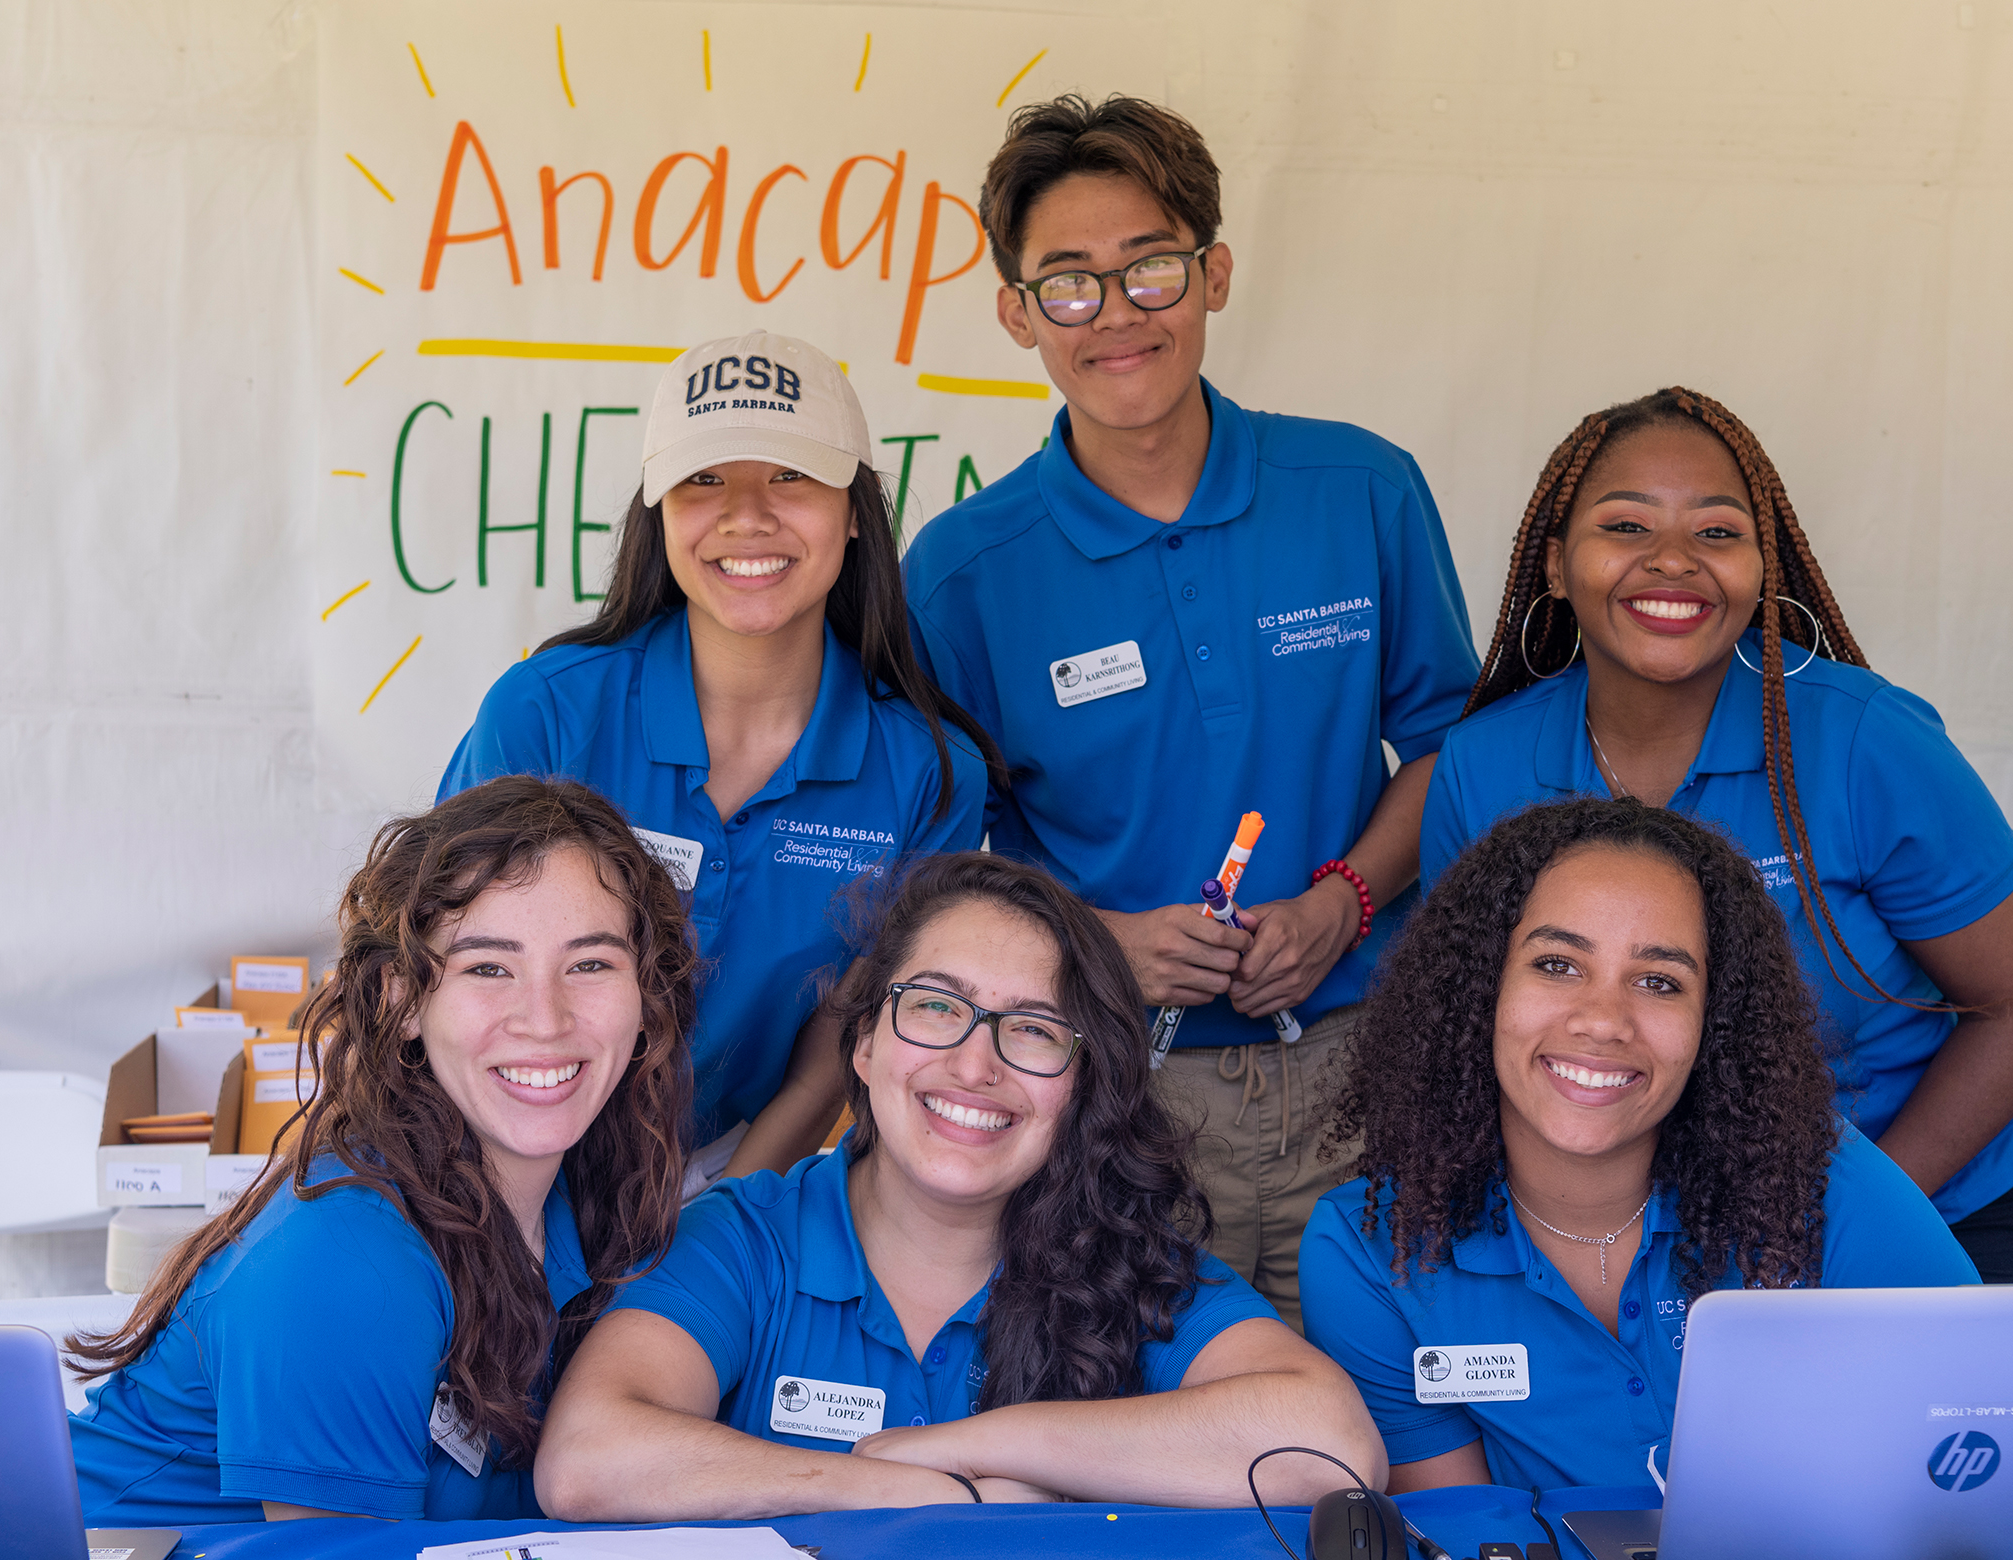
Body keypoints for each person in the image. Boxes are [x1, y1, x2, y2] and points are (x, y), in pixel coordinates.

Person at [901, 96, 1478, 1327]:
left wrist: (1344, 901)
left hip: (1368, 1069)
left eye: (1149, 267)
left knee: (1382, 1425)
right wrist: (1094, 940)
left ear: (1212, 274)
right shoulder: (961, 571)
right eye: (1068, 284)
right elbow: (937, 858)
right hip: (1116, 1092)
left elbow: (1452, 749)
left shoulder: (1360, 490)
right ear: (1015, 313)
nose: (1115, 314)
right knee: (1145, 1442)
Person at [1420, 387, 2013, 1284]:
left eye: (1718, 534)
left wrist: (1848, 1225)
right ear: (1557, 565)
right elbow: (1469, 1029)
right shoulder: (1482, 767)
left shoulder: (1864, 742)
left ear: (1763, 567)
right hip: (1657, 1240)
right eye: (1626, 527)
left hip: (1932, 1199)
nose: (1674, 562)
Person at [535, 851, 1383, 1517]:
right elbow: (585, 1458)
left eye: (1035, 1028)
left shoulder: (1129, 1259)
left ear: (1083, 1082)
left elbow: (1331, 1445)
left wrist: (973, 1445)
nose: (976, 1066)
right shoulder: (747, 1237)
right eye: (937, 1007)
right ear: (863, 1047)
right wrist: (897, 1487)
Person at [444, 329, 997, 1190]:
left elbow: (832, 1060)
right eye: (704, 479)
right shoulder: (546, 713)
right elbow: (453, 982)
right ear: (657, 512)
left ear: (855, 512)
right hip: (496, 1150)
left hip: (734, 1173)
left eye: (790, 475)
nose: (748, 515)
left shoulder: (931, 772)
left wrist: (715, 1234)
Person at [1302, 798, 1980, 1494]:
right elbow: (1465, 1533)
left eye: (1659, 982)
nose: (1602, 1021)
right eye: (1558, 964)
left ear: (1713, 1024)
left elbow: (1981, 1443)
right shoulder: (1370, 1248)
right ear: (1480, 990)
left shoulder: (1820, 1179)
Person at [67, 777, 696, 1523]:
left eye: (589, 964)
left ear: (646, 997)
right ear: (402, 1001)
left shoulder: (577, 1203)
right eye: (487, 967)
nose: (544, 1018)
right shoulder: (351, 1260)